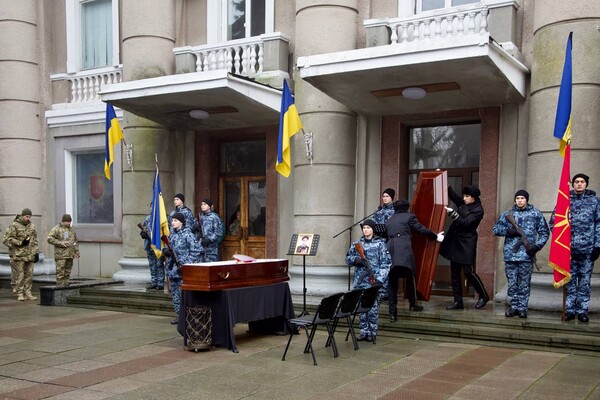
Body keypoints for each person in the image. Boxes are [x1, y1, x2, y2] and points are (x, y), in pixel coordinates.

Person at [550, 173, 600, 323]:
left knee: (584, 282)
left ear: (586, 184)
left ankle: (582, 311)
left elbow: (599, 224)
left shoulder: (595, 202)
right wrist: (561, 244)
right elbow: (555, 223)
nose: (579, 184)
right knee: (570, 282)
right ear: (572, 184)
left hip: (587, 249)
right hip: (568, 250)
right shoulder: (564, 201)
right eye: (576, 182)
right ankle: (570, 310)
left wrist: (597, 246)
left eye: (582, 182)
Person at [493, 190, 549, 318]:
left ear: (527, 200)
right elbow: (495, 229)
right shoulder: (508, 214)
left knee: (524, 283)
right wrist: (509, 231)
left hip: (526, 255)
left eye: (522, 198)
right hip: (511, 255)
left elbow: (545, 232)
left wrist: (536, 247)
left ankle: (523, 308)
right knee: (512, 283)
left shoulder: (535, 213)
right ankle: (514, 307)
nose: (519, 200)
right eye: (517, 198)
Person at [385, 200, 444, 320]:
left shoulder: (389, 220)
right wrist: (435, 236)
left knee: (392, 281)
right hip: (404, 250)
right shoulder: (409, 217)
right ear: (407, 208)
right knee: (410, 277)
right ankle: (412, 305)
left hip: (390, 250)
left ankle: (392, 313)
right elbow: (420, 229)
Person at [440, 185, 490, 310]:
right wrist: (445, 185)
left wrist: (454, 214)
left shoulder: (478, 210)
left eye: (467, 196)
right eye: (464, 196)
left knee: (468, 272)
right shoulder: (463, 202)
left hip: (467, 242)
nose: (464, 198)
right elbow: (453, 195)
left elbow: (466, 223)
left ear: (473, 198)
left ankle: (483, 296)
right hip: (455, 240)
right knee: (455, 273)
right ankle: (458, 301)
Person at [345, 219, 391, 342]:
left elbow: (386, 264)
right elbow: (348, 259)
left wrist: (379, 279)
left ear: (373, 229)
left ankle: (372, 332)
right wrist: (356, 260)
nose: (366, 230)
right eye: (364, 228)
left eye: (368, 228)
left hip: (373, 281)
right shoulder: (357, 243)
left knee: (373, 308)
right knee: (361, 307)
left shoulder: (380, 244)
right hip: (360, 281)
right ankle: (363, 331)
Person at [162, 212, 203, 325]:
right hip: (173, 270)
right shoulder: (171, 235)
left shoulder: (188, 234)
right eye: (172, 220)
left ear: (181, 222)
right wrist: (165, 251)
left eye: (175, 221)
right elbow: (168, 247)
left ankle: (186, 317)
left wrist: (185, 266)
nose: (173, 222)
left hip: (182, 270)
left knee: (184, 295)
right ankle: (179, 316)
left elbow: (196, 251)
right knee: (175, 295)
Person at [3, 208, 39, 301]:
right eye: (27, 216)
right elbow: (7, 239)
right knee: (20, 275)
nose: (28, 218)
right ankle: (20, 293)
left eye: (30, 217)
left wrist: (36, 252)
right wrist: (20, 243)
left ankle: (28, 292)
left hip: (30, 254)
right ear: (22, 216)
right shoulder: (15, 225)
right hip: (19, 255)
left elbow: (34, 240)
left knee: (29, 274)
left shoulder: (32, 226)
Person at [47, 214, 80, 287]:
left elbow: (75, 242)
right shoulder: (57, 229)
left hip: (70, 255)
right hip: (61, 256)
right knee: (60, 273)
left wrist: (76, 252)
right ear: (63, 221)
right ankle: (59, 288)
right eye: (67, 221)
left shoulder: (71, 230)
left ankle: (66, 287)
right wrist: (60, 243)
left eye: (69, 222)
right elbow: (49, 239)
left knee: (67, 273)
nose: (68, 223)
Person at [140, 210, 165, 291]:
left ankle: (160, 283)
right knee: (152, 265)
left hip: (157, 245)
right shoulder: (147, 218)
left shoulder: (161, 219)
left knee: (159, 264)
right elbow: (143, 229)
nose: (152, 208)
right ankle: (154, 282)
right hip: (149, 245)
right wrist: (143, 234)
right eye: (151, 207)